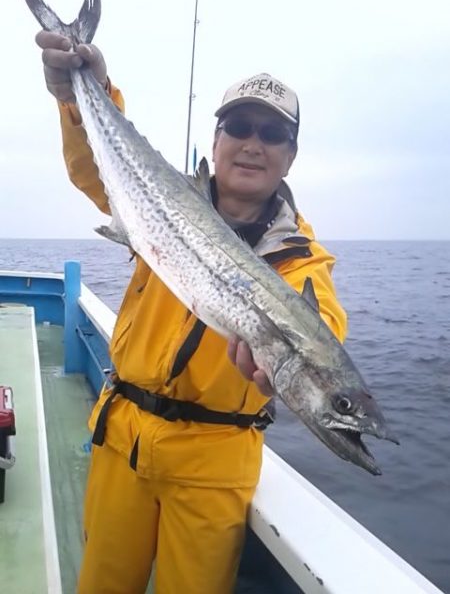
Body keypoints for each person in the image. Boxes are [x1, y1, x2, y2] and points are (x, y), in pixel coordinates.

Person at [36, 30, 347, 594]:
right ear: (218, 136)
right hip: (121, 436)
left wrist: (294, 375)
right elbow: (94, 168)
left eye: (273, 133)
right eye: (240, 127)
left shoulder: (303, 261)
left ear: (291, 155)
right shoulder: (161, 195)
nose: (254, 144)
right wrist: (84, 90)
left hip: (214, 461)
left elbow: (322, 327)